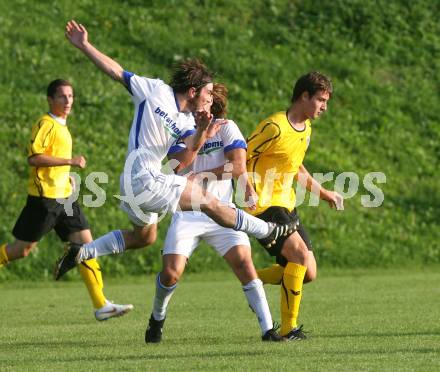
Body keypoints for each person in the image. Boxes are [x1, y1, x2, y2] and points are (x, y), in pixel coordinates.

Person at [54, 20, 298, 281]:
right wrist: (85, 45)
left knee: (144, 237)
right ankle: (268, 231)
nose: (210, 99)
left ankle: (82, 252)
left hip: (142, 181)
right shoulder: (155, 90)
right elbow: (117, 72)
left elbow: (182, 161)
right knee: (209, 201)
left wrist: (203, 132)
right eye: (207, 93)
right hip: (141, 176)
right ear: (193, 91)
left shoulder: (186, 122)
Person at [145, 83, 283, 343]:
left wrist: (243, 186)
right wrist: (201, 138)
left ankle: (268, 330)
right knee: (171, 272)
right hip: (188, 212)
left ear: (213, 104)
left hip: (222, 212)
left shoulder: (228, 127)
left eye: (208, 102)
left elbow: (238, 165)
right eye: (200, 103)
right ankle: (157, 318)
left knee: (244, 263)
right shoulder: (180, 131)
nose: (204, 108)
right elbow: (179, 169)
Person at [0, 79, 133, 321]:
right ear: (50, 99)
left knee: (86, 245)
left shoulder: (63, 126)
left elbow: (53, 161)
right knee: (21, 250)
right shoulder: (46, 123)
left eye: (70, 96)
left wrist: (67, 178)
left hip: (65, 198)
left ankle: (101, 304)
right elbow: (35, 158)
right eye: (62, 96)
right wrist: (70, 162)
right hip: (46, 199)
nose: (68, 100)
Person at [246, 72, 344, 340]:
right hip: (263, 205)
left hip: (286, 204)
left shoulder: (306, 129)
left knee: (308, 272)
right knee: (299, 256)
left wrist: (324, 194)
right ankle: (289, 329)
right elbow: (240, 155)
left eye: (326, 101)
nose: (324, 106)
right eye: (321, 100)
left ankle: (251, 277)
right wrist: (246, 189)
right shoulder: (274, 127)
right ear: (304, 96)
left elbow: (297, 169)